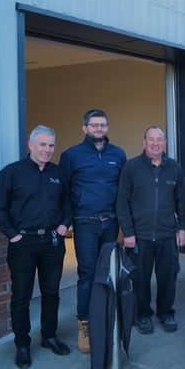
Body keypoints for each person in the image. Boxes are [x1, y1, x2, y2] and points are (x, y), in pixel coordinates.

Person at [0, 125, 72, 368]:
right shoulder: (11, 173)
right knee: (21, 296)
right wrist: (13, 235)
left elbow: (67, 202)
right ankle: (23, 344)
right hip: (23, 243)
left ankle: (49, 336)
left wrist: (64, 224)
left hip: (52, 242)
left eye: (51, 145)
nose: (47, 150)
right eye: (43, 145)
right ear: (30, 144)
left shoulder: (58, 173)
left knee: (51, 293)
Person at [59, 109, 126, 353]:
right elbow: (63, 191)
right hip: (85, 222)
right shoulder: (71, 156)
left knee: (109, 272)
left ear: (107, 128)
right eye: (94, 125)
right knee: (87, 274)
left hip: (110, 223)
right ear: (85, 128)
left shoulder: (118, 154)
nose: (99, 129)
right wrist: (66, 221)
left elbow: (123, 190)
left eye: (103, 125)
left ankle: (107, 318)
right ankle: (85, 324)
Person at [116, 126, 185, 334]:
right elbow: (122, 202)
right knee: (140, 278)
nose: (155, 143)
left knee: (168, 277)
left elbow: (182, 201)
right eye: (151, 139)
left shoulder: (174, 168)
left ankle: (166, 312)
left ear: (165, 143)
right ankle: (143, 314)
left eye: (160, 140)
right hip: (140, 236)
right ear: (144, 142)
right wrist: (128, 232)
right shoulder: (131, 168)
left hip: (167, 234)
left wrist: (183, 228)